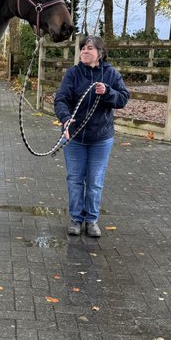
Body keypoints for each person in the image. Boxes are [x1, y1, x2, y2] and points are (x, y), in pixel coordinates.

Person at [54, 35, 131, 237]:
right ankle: (76, 220)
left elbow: (123, 98)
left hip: (101, 138)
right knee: (75, 179)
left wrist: (107, 92)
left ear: (100, 53)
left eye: (89, 48)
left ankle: (92, 220)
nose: (84, 52)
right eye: (82, 49)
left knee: (95, 180)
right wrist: (65, 118)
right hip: (75, 137)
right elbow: (61, 99)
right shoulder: (73, 74)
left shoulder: (111, 74)